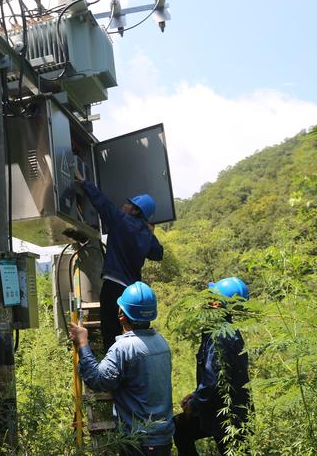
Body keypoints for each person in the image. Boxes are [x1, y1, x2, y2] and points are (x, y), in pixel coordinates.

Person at [69, 281, 174, 455]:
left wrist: (83, 342)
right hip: (163, 438)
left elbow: (98, 380)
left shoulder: (124, 347)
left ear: (121, 315)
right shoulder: (162, 343)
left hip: (138, 442)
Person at [75, 169, 164, 351]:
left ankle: (113, 371)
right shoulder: (146, 235)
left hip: (113, 287)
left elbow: (102, 202)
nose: (124, 205)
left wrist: (83, 182)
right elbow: (158, 253)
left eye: (128, 204)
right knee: (129, 334)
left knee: (110, 334)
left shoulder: (121, 220)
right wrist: (151, 234)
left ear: (136, 210)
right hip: (131, 293)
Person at [173, 277, 252, 456]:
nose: (206, 301)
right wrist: (196, 395)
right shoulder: (225, 331)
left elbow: (212, 379)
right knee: (180, 427)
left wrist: (196, 402)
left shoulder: (220, 337)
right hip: (219, 409)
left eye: (211, 297)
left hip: (227, 416)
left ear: (218, 304)